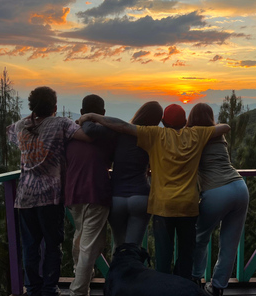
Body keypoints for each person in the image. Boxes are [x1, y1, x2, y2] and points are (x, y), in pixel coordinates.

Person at [78, 104, 230, 280]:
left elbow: (123, 126)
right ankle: (184, 287)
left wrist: (92, 116)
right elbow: (225, 127)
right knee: (186, 253)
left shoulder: (155, 134)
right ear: (185, 122)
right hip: (188, 206)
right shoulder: (197, 134)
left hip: (162, 206)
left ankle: (157, 288)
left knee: (162, 256)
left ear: (163, 122)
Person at [7, 86, 91, 296]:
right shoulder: (61, 124)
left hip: (24, 197)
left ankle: (33, 288)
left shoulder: (20, 126)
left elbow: (9, 134)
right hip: (50, 198)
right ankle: (49, 289)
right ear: (54, 107)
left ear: (32, 107)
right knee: (53, 245)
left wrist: (32, 117)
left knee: (30, 247)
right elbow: (88, 136)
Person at [187, 103, 249, 296]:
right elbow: (226, 126)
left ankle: (196, 279)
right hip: (239, 187)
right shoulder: (218, 134)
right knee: (230, 243)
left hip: (216, 191)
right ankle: (218, 287)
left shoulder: (193, 136)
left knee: (200, 238)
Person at [64, 94, 116, 296]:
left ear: (81, 113)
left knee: (80, 237)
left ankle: (80, 274)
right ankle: (78, 290)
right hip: (97, 190)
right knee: (89, 245)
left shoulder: (70, 133)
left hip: (73, 190)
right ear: (103, 113)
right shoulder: (107, 135)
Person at [107, 101, 163, 249]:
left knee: (118, 245)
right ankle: (133, 271)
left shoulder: (120, 134)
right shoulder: (151, 138)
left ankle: (116, 272)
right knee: (133, 248)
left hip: (116, 197)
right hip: (140, 196)